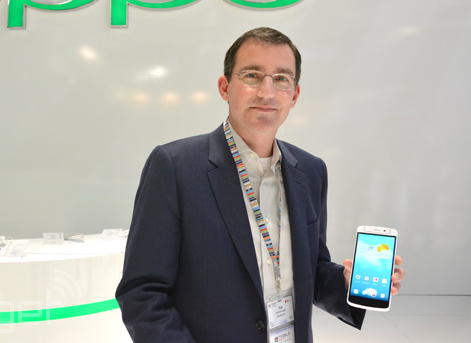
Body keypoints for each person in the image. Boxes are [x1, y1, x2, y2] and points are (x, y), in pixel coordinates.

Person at [116, 27, 405, 342]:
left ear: (294, 95)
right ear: (225, 87)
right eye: (252, 75)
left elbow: (311, 271)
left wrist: (349, 283)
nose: (267, 92)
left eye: (281, 78)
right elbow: (142, 293)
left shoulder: (310, 171)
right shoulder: (176, 167)